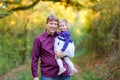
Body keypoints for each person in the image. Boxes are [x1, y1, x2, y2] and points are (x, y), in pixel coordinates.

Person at [31, 14, 71, 80]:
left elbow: (71, 50)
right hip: (48, 75)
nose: (53, 26)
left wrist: (65, 54)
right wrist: (35, 76)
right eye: (51, 23)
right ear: (46, 24)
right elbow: (34, 59)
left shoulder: (62, 35)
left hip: (64, 75)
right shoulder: (39, 39)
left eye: (55, 24)